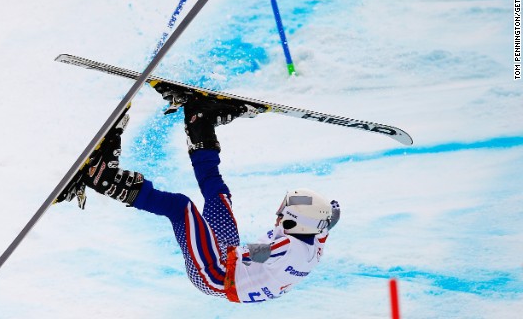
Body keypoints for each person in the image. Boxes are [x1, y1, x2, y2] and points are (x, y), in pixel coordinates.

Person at [65, 96, 340, 303]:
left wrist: (222, 243)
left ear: (295, 224)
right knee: (219, 196)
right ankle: (199, 122)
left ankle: (103, 178)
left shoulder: (290, 247)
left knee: (181, 207)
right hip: (230, 259)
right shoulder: (313, 237)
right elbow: (326, 221)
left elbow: (265, 253)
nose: (278, 216)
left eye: (284, 214)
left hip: (216, 274)